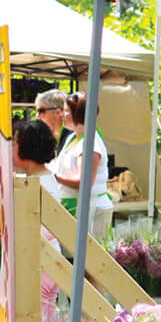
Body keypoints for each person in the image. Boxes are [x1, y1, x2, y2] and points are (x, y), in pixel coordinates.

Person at [49, 92, 113, 227]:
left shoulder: (91, 144)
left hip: (90, 210)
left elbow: (84, 182)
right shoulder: (73, 137)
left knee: (88, 248)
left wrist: (54, 178)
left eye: (66, 111)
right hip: (73, 206)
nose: (62, 115)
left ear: (78, 114)